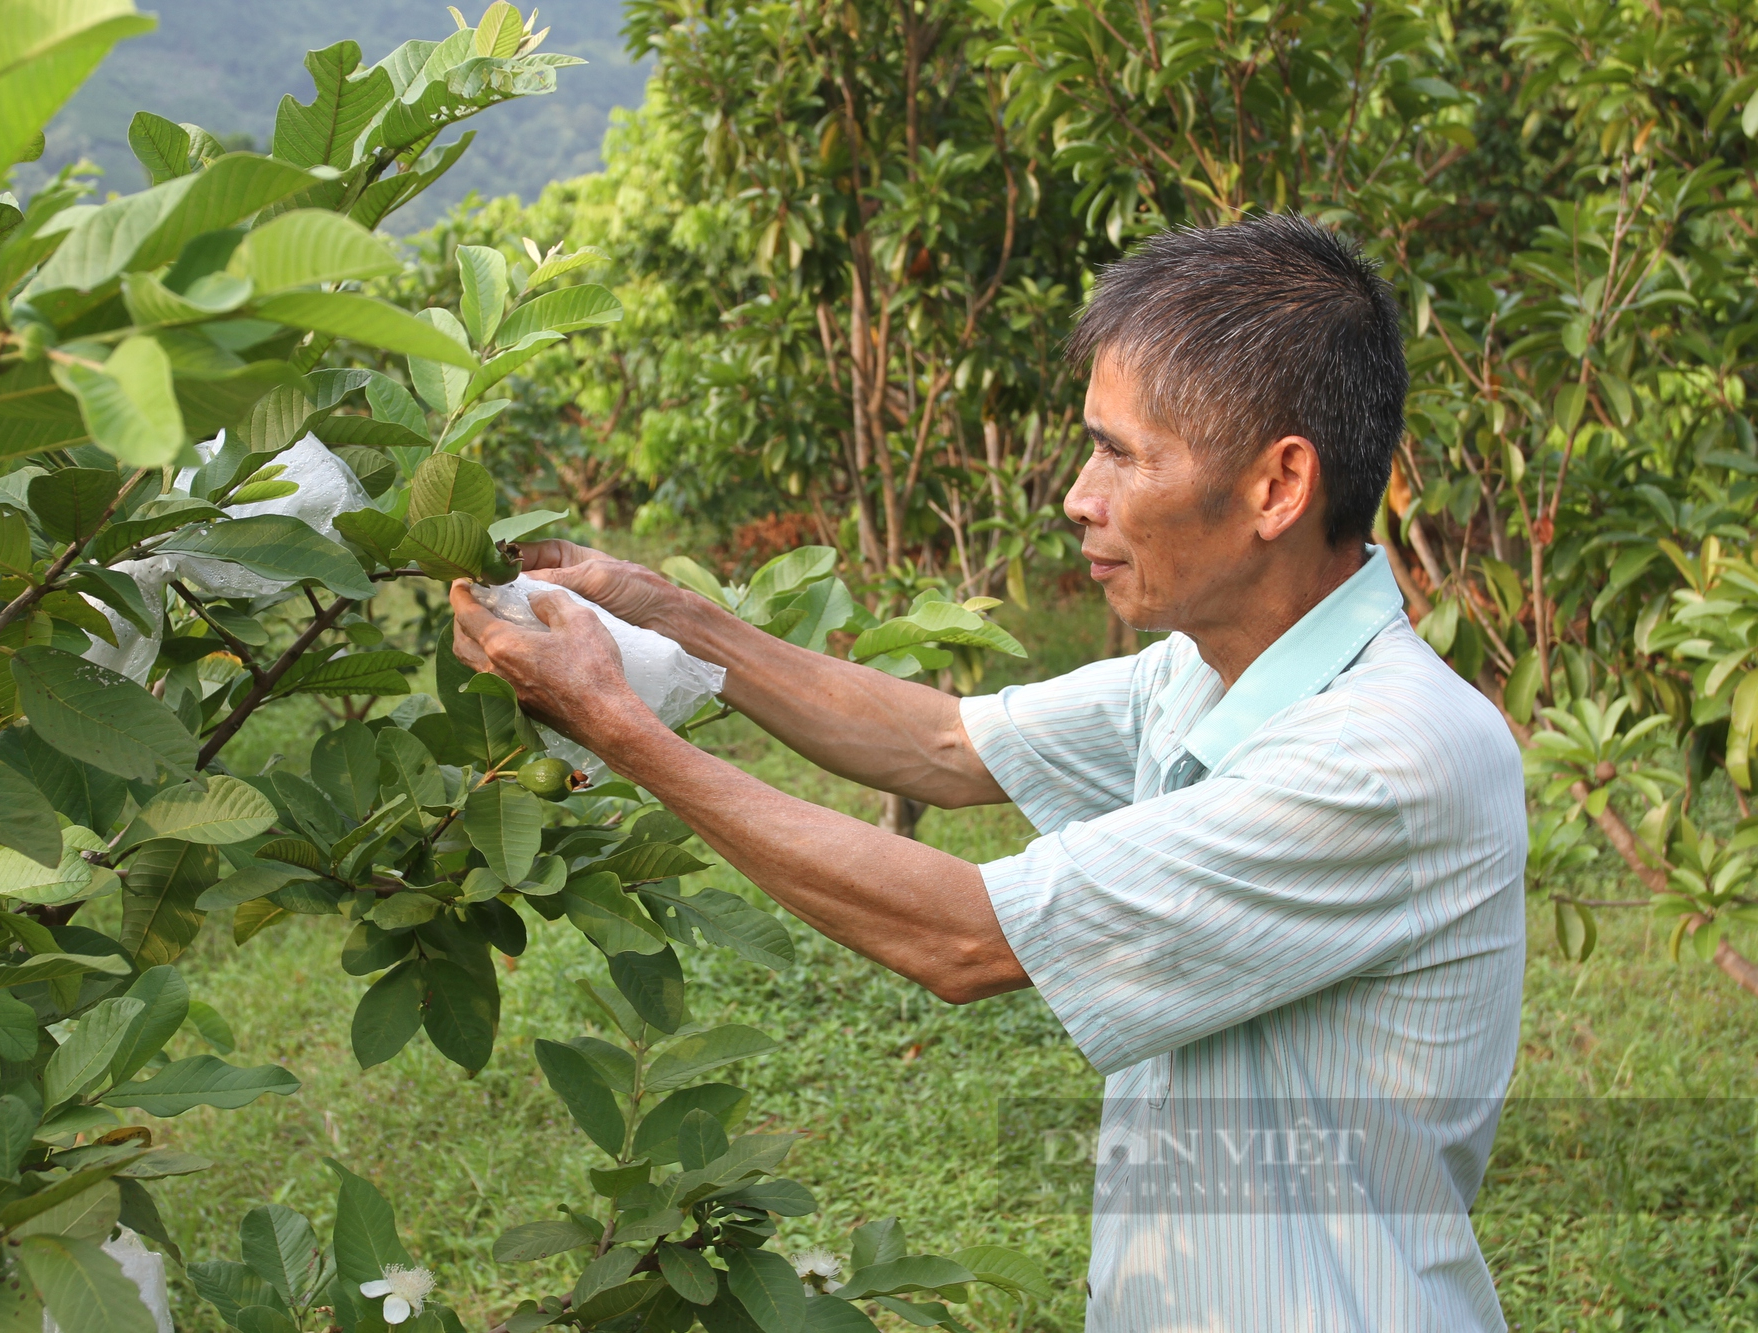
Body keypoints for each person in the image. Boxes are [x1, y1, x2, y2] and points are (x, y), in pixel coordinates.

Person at [448, 214, 1526, 1332]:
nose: (1077, 494)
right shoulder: (1204, 671)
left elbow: (963, 937)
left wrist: (617, 725)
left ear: (1275, 486)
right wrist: (665, 614)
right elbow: (945, 744)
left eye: (1121, 452)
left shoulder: (1386, 757)